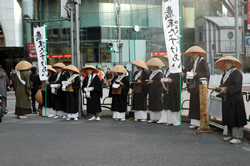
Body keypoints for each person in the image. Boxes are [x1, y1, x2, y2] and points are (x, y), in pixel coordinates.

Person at [215, 56, 247, 144]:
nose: (226, 64)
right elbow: (224, 84)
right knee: (229, 117)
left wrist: (226, 89)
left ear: (233, 63)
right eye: (225, 63)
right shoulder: (226, 73)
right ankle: (231, 134)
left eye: (228, 62)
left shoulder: (236, 73)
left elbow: (236, 86)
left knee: (235, 117)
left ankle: (237, 136)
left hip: (235, 99)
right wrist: (221, 88)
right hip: (228, 99)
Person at [183, 46, 210, 128]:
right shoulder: (192, 63)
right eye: (192, 53)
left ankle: (200, 123)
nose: (193, 54)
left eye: (194, 53)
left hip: (199, 86)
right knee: (193, 104)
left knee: (199, 104)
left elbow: (206, 73)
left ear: (199, 53)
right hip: (193, 86)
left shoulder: (202, 61)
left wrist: (197, 74)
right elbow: (187, 71)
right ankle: (194, 122)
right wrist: (184, 74)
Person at [158, 56, 181, 125]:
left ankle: (176, 121)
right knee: (168, 104)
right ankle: (170, 120)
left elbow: (179, 80)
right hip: (168, 89)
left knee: (173, 104)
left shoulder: (177, 69)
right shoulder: (168, 69)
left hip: (174, 89)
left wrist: (172, 80)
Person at [146, 58, 165, 123]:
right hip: (152, 90)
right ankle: (153, 118)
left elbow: (159, 81)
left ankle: (159, 118)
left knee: (157, 104)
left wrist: (153, 81)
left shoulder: (159, 73)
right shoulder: (151, 72)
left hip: (157, 91)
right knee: (152, 104)